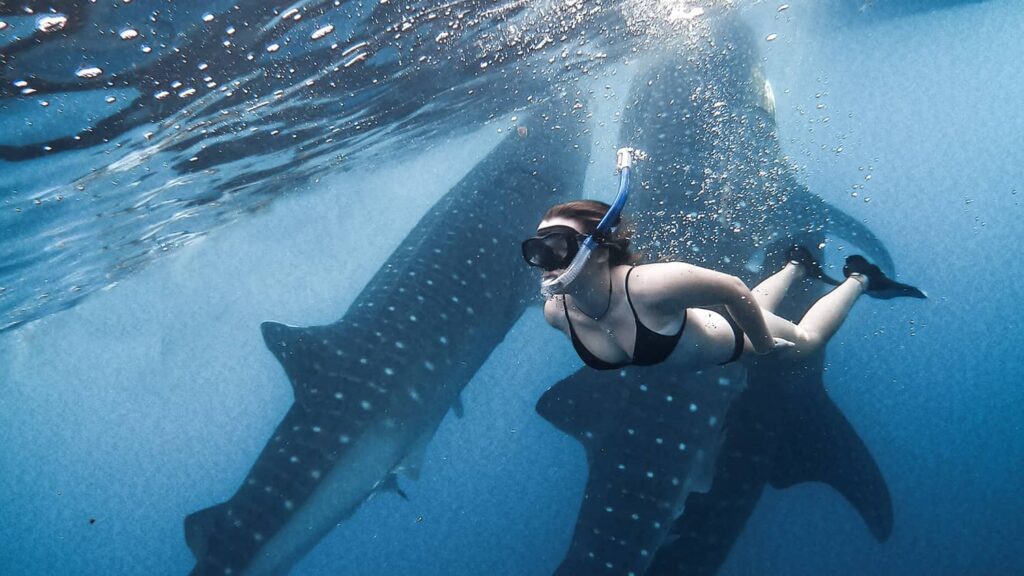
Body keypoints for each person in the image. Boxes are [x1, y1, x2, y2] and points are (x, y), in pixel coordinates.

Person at [521, 200, 925, 370]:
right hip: (686, 323)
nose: (544, 262)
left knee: (805, 342)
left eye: (556, 245)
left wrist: (764, 345)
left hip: (726, 337)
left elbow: (733, 289)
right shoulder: (557, 313)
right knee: (751, 308)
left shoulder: (650, 285)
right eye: (535, 250)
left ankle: (861, 278)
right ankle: (796, 267)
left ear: (601, 248)